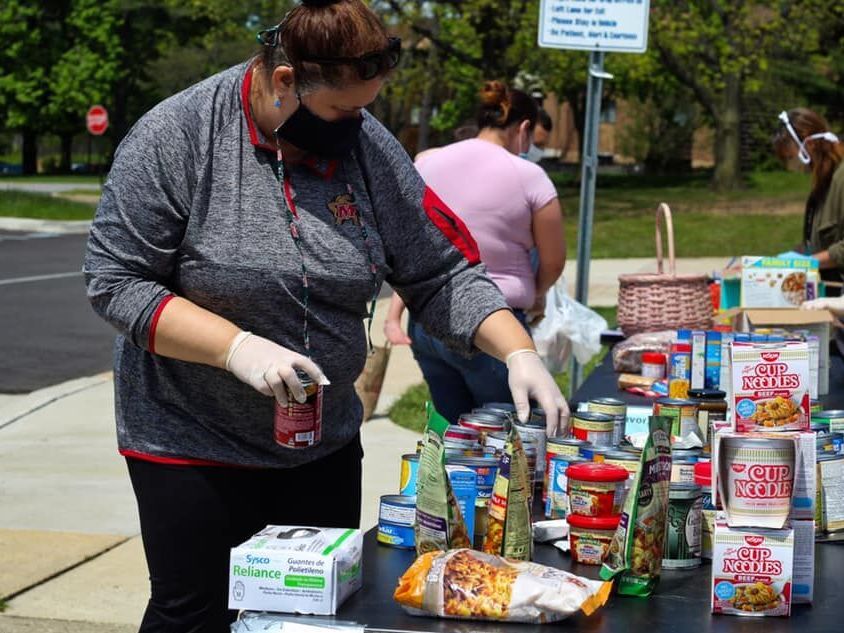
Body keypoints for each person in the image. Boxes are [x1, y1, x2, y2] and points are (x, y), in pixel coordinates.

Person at [83, 1, 568, 629]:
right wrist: (239, 349)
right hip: (189, 437)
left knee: (311, 614)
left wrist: (516, 349)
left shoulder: (366, 146)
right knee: (194, 612)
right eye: (342, 108)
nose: (357, 122)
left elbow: (440, 270)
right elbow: (115, 280)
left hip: (321, 440)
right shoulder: (177, 136)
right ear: (285, 81)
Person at [384, 81, 567, 424]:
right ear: (524, 128)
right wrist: (538, 293)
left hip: (428, 322)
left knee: (457, 436)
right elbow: (554, 258)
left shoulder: (427, 164)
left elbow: (405, 245)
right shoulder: (530, 177)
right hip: (494, 325)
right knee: (514, 436)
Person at [774, 108, 844, 283]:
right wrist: (771, 263)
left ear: (809, 144)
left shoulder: (841, 179)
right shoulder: (821, 185)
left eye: (790, 157)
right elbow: (816, 245)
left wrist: (808, 263)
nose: (791, 166)